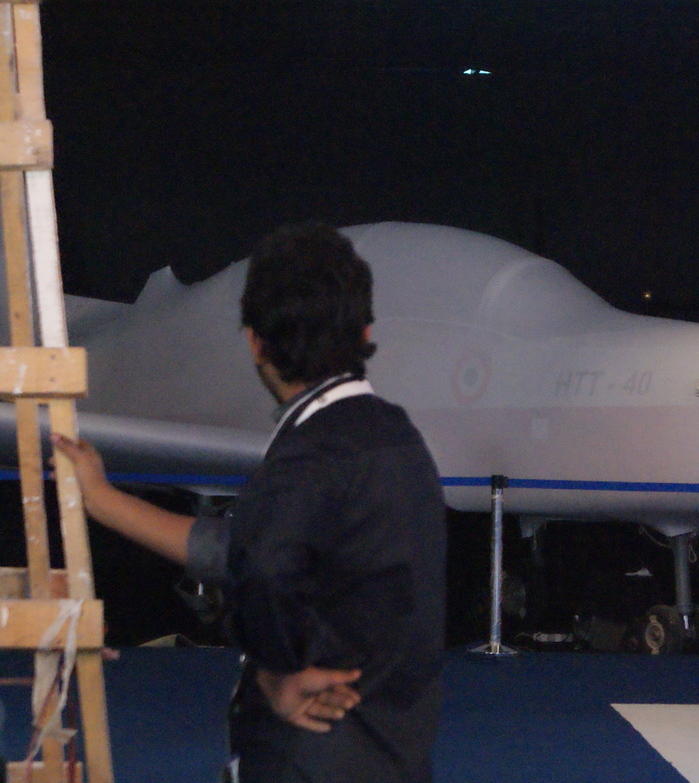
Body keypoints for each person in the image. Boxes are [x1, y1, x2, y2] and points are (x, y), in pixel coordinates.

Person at [52, 222, 447, 782]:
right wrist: (105, 501)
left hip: (305, 763)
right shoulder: (400, 441)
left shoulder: (307, 457)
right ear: (364, 332)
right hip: (395, 759)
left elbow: (258, 563)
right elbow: (241, 549)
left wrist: (277, 675)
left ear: (255, 342)